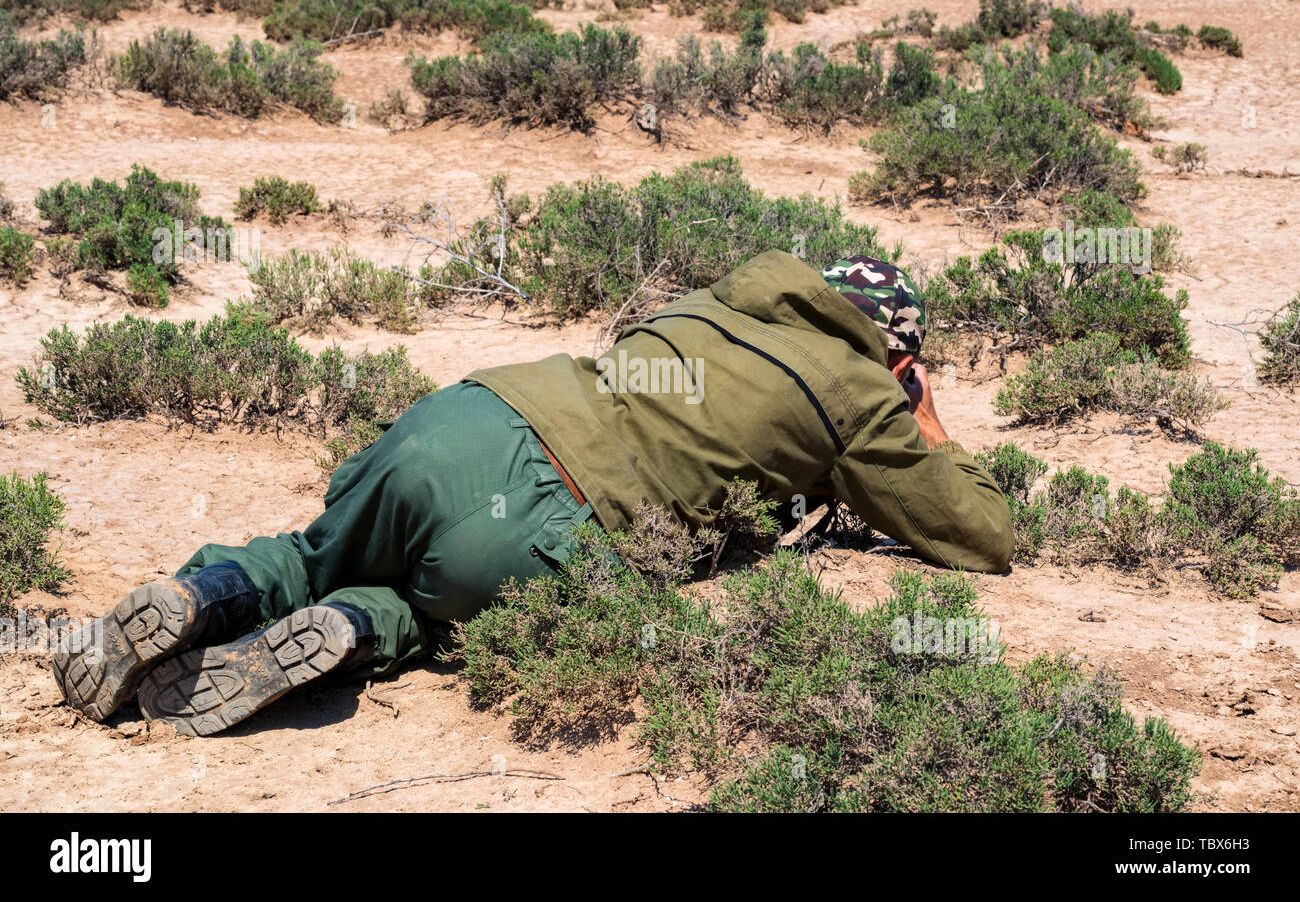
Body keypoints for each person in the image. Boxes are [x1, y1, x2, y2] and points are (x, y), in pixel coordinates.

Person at [53, 249, 1013, 736]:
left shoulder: (720, 298)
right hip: (554, 519)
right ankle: (352, 630)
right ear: (893, 352)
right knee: (445, 619)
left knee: (308, 554)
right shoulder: (858, 393)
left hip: (470, 414)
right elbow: (980, 535)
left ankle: (202, 594)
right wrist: (923, 416)